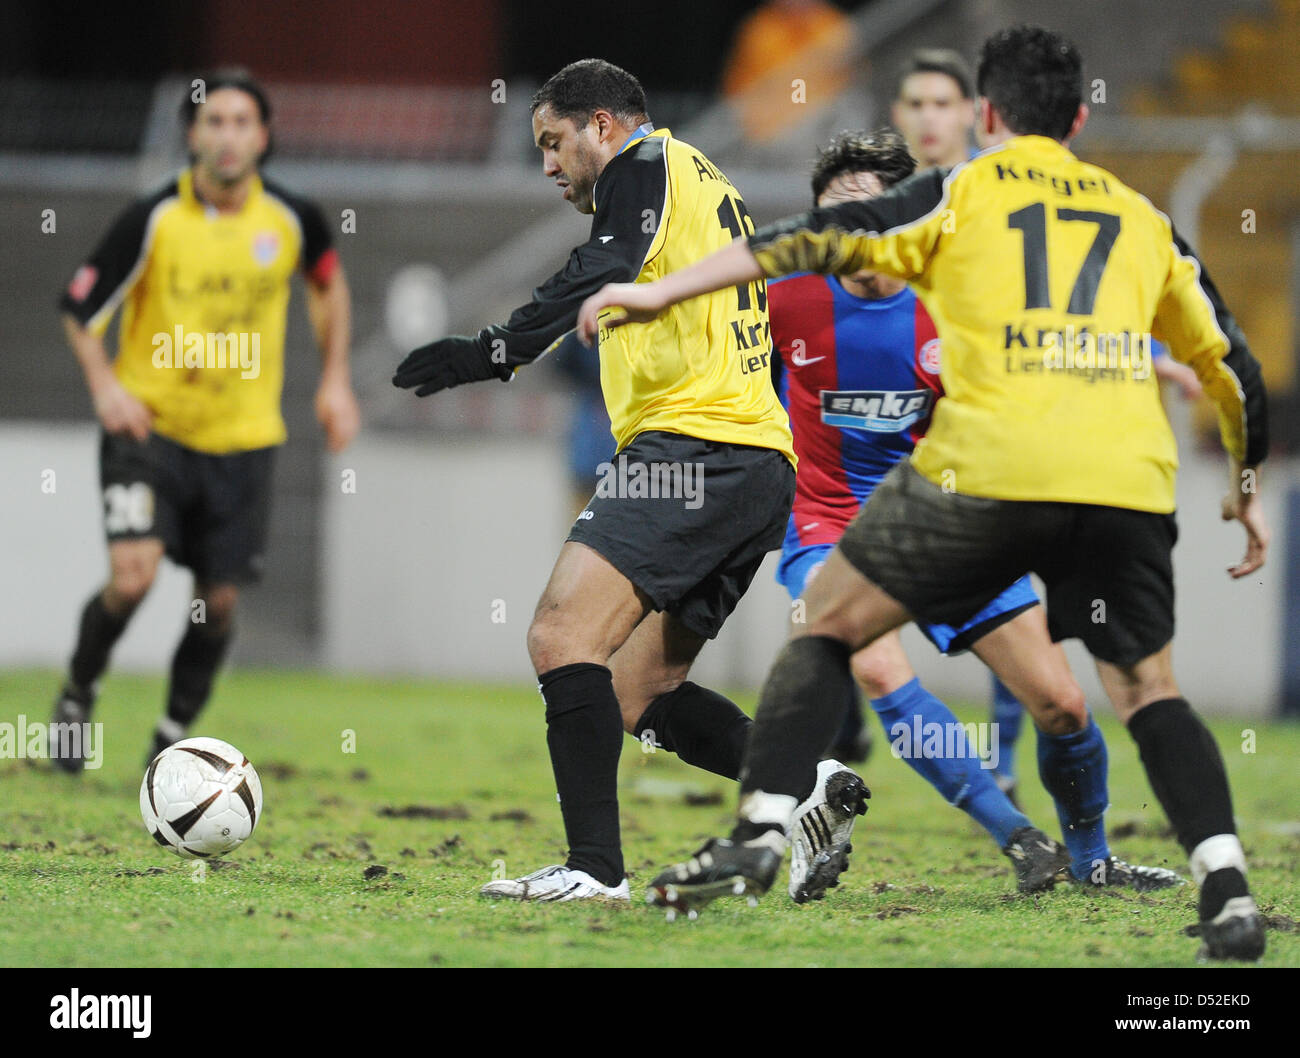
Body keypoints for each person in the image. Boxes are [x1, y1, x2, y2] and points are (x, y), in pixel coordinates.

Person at [577, 26, 1269, 962]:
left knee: (1052, 700)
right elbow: (1227, 358)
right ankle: (1197, 875)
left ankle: (775, 832)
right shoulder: (1141, 213)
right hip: (1060, 488)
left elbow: (799, 241)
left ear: (984, 118)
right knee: (1123, 684)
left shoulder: (952, 209)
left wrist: (652, 295)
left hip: (965, 485)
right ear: (1081, 115)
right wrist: (1242, 477)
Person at [394, 59, 851, 903]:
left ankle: (594, 871)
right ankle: (809, 784)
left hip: (694, 451)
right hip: (755, 465)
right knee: (641, 691)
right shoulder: (697, 179)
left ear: (604, 124)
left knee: (562, 638)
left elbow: (608, 259)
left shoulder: (644, 166)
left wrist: (491, 350)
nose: (548, 165)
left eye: (554, 142)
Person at [771, 128, 1180, 896]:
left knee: (1060, 704)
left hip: (951, 516)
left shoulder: (954, 298)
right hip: (831, 527)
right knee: (879, 666)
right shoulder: (782, 295)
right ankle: (1021, 838)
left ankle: (1092, 861)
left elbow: (1051, 360)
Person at [51, 69, 360, 772]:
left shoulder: (292, 218)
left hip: (242, 441)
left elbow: (327, 283)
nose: (227, 136)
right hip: (149, 431)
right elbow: (79, 306)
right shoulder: (154, 215)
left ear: (263, 136)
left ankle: (169, 740)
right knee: (132, 576)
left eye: (241, 122)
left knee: (217, 602)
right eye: (214, 121)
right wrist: (104, 385)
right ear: (193, 134)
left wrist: (335, 380)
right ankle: (77, 692)